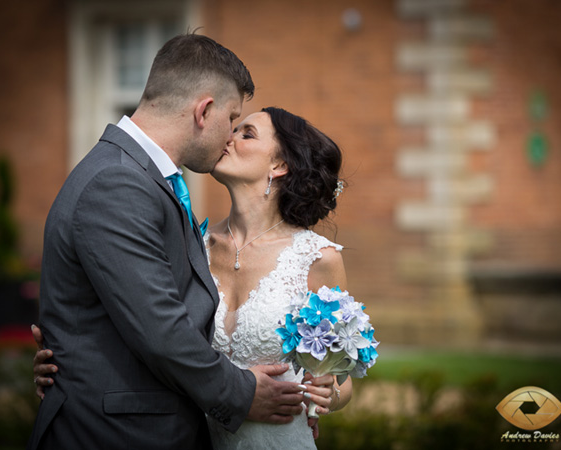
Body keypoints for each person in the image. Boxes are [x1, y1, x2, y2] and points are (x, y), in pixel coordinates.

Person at [27, 33, 334, 450]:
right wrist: (244, 395)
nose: (229, 137)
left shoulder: (147, 180)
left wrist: (72, 345)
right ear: (204, 111)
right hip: (116, 435)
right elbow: (160, 328)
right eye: (232, 119)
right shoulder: (119, 183)